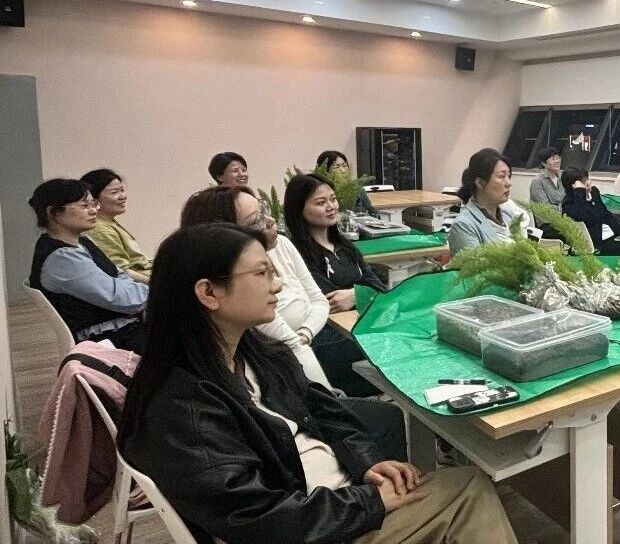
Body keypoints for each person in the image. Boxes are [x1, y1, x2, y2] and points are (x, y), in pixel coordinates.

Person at [116, 222, 518, 544]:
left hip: (332, 504)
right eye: (262, 273)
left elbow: (323, 407)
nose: (277, 284)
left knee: (455, 482)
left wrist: (366, 463)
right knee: (469, 489)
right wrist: (369, 502)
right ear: (208, 293)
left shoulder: (253, 353)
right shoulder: (183, 408)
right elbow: (259, 518)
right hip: (314, 525)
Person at [181, 186, 333, 390]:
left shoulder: (248, 348)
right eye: (261, 273)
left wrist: (305, 334)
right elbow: (294, 346)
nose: (271, 221)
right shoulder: (205, 380)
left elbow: (319, 301)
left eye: (264, 211)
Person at [283, 174, 389, 397]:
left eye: (333, 199)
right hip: (327, 338)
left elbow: (379, 288)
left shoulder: (345, 246)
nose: (331, 206)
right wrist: (363, 292)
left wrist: (355, 295)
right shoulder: (297, 253)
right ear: (299, 209)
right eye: (320, 202)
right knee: (392, 347)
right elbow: (330, 301)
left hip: (359, 326)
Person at [28, 178, 149, 353]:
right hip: (108, 338)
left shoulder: (81, 242)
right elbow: (118, 297)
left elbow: (118, 275)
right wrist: (162, 294)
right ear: (54, 213)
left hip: (123, 326)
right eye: (85, 206)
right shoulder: (62, 258)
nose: (94, 210)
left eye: (94, 204)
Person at [447, 149, 538, 254]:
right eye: (501, 176)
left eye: (508, 176)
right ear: (480, 183)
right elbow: (476, 264)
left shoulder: (509, 215)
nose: (509, 183)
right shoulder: (464, 225)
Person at [81, 168, 152, 283]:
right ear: (93, 199)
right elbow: (121, 270)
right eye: (114, 192)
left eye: (122, 190)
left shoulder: (108, 222)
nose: (123, 196)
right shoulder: (100, 229)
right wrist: (157, 284)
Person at [316, 150, 378, 217]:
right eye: (336, 167)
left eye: (344, 165)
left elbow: (372, 211)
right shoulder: (320, 191)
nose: (343, 170)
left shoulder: (356, 189)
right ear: (325, 170)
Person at [529, 146, 565, 212]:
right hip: (547, 217)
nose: (557, 161)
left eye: (558, 158)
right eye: (553, 159)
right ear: (543, 163)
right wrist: (564, 210)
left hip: (564, 216)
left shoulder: (563, 177)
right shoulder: (537, 181)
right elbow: (544, 206)